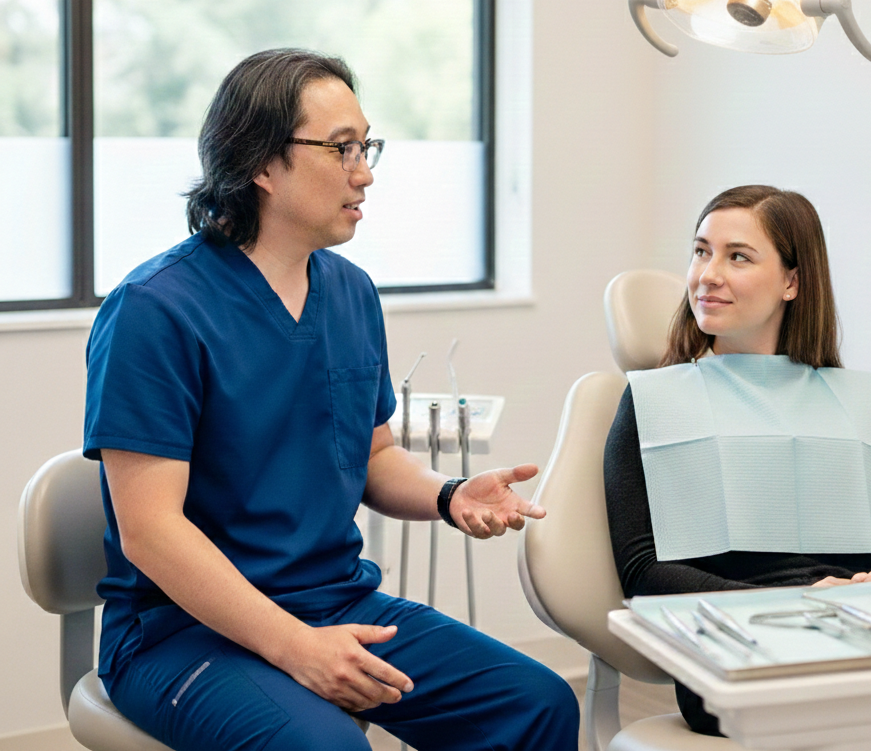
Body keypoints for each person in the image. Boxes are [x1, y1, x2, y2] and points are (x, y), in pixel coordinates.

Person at [83, 49, 579, 751]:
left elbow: (372, 456)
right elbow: (151, 532)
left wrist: (449, 494)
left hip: (334, 599)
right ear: (262, 163)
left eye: (366, 146)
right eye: (341, 148)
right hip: (180, 632)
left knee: (537, 704)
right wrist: (296, 647)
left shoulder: (351, 293)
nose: (364, 172)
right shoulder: (154, 309)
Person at [603, 185, 871, 751]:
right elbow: (643, 571)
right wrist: (804, 603)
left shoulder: (855, 404)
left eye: (737, 256)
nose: (708, 274)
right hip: (741, 653)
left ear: (792, 282)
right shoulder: (653, 404)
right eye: (701, 251)